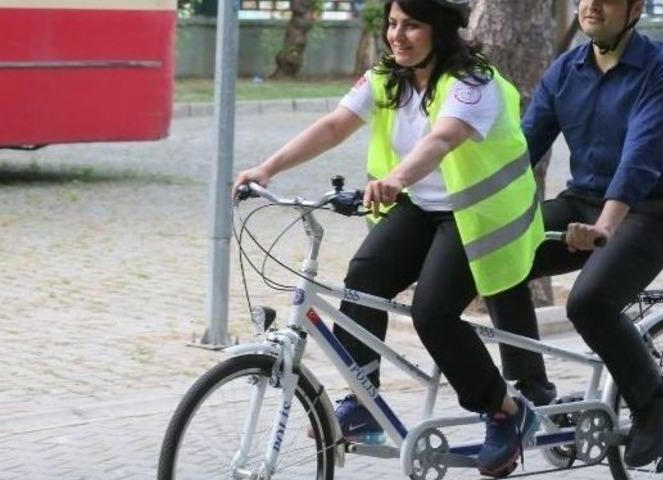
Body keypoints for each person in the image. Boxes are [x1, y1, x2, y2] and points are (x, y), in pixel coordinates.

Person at [234, 0, 545, 476]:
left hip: (480, 214)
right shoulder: (388, 75)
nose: (398, 36)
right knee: (362, 279)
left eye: (412, 26)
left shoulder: (473, 81)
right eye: (392, 24)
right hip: (424, 206)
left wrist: (397, 178)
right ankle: (363, 402)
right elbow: (336, 124)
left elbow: (442, 140)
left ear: (439, 31)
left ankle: (504, 409)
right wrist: (267, 168)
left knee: (434, 312)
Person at [491, 0, 663, 468]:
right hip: (583, 202)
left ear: (635, 8)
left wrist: (606, 226)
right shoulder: (566, 70)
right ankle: (534, 395)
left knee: (588, 302)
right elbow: (522, 149)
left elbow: (640, 157)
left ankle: (655, 401)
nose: (590, 5)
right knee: (496, 256)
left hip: (654, 212)